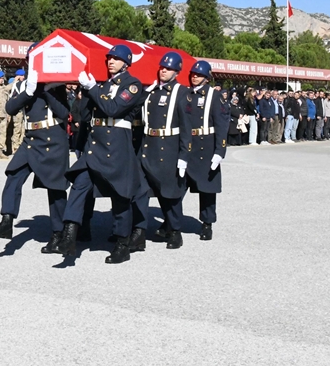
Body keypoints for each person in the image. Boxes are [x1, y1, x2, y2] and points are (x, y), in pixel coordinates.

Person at [59, 44, 148, 263]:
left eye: (115, 59)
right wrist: (86, 92)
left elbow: (113, 109)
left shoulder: (133, 85)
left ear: (126, 63)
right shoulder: (103, 84)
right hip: (95, 146)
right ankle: (69, 234)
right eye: (109, 58)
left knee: (120, 196)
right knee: (80, 185)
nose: (110, 61)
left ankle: (121, 244)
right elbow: (86, 115)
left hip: (117, 146)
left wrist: (92, 88)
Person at [0, 64, 70, 242]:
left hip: (52, 137)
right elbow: (10, 109)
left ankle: (59, 233)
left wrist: (45, 90)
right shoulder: (22, 85)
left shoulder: (56, 85)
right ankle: (7, 220)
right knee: (13, 174)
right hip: (31, 138)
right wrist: (29, 90)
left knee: (55, 186)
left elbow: (64, 112)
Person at [139, 51, 192, 250]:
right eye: (162, 67)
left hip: (168, 146)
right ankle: (138, 231)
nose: (163, 71)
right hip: (149, 145)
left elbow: (187, 128)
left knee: (170, 193)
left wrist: (183, 156)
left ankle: (175, 231)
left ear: (176, 72)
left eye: (168, 69)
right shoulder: (151, 91)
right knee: (144, 191)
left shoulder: (182, 92)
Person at [182, 60, 229, 241]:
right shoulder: (186, 94)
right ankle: (172, 220)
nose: (195, 77)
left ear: (207, 78)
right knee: (178, 185)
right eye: (193, 74)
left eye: (199, 75)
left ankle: (207, 223)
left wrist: (220, 150)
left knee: (207, 187)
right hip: (187, 143)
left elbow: (222, 124)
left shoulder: (214, 96)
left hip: (206, 144)